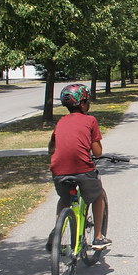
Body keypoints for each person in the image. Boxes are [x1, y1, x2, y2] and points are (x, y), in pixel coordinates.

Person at [48, 83, 111, 249]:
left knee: (65, 198)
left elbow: (51, 148)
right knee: (97, 194)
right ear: (82, 104)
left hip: (59, 171)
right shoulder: (90, 120)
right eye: (87, 101)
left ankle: (57, 231)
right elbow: (97, 152)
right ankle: (98, 237)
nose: (88, 104)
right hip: (83, 169)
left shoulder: (61, 122)